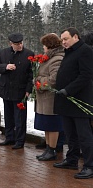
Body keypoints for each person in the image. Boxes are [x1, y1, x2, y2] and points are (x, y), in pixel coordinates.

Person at [53, 27, 93, 179]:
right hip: (67, 102)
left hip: (79, 101)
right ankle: (71, 160)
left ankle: (90, 165)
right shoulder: (70, 51)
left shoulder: (85, 51)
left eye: (65, 39)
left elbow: (86, 75)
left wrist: (68, 90)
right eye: (62, 40)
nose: (63, 42)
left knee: (84, 135)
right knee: (70, 134)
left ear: (75, 37)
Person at [0, 33, 34, 149]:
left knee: (20, 118)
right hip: (6, 90)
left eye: (21, 43)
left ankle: (20, 140)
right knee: (8, 116)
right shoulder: (3, 53)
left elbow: (31, 74)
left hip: (20, 91)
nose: (20, 46)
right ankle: (9, 137)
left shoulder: (29, 54)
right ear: (11, 44)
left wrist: (28, 90)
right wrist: (5, 67)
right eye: (17, 44)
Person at [34, 33, 64, 161]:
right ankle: (48, 148)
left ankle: (52, 149)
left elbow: (53, 80)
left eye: (44, 45)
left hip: (50, 98)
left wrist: (38, 81)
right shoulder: (48, 58)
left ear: (50, 46)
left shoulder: (57, 59)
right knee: (46, 125)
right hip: (44, 98)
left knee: (52, 125)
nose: (43, 48)